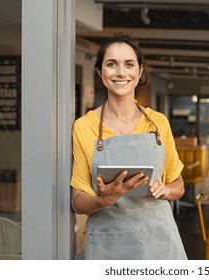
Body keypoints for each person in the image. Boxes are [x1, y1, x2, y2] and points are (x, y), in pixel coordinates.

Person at [70, 33, 187, 260]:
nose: (121, 72)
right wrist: (103, 199)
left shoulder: (158, 123)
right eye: (111, 64)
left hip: (159, 241)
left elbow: (178, 185)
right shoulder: (84, 126)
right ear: (99, 71)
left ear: (140, 71)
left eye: (129, 64)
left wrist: (166, 190)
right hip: (110, 243)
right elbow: (77, 201)